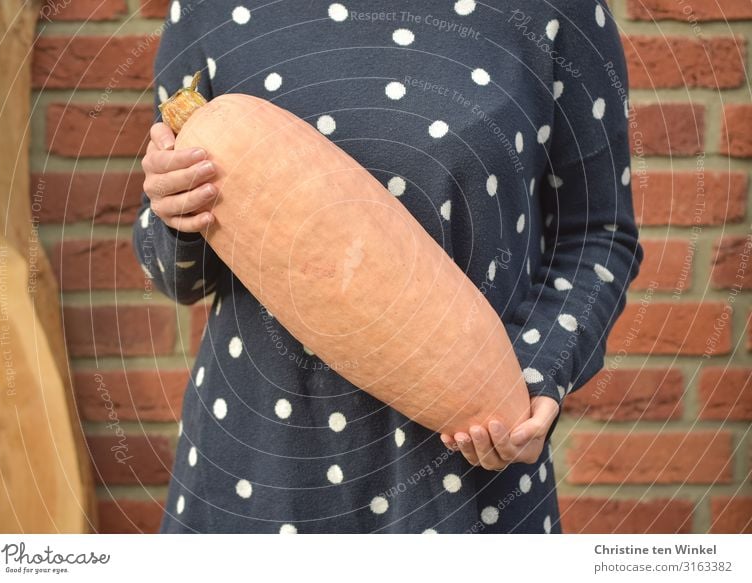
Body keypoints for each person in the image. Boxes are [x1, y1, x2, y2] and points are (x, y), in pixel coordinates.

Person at [133, 0, 643, 533]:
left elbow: (600, 235)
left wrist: (534, 373)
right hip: (258, 468)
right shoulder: (207, 9)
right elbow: (178, 278)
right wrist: (174, 213)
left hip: (466, 472)